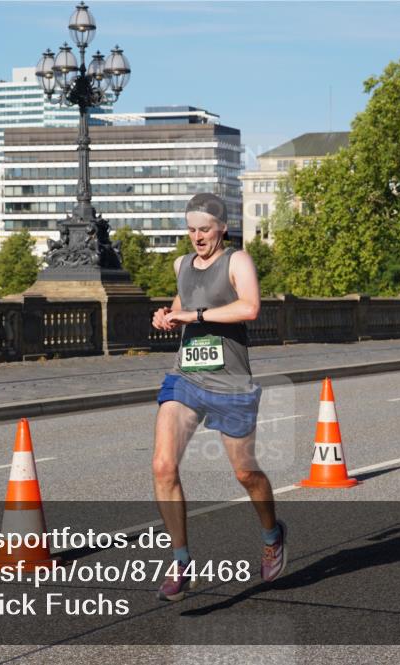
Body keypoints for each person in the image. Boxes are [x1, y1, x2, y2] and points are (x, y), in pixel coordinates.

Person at [150, 193, 286, 601]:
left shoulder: (238, 261)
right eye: (191, 230)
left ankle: (272, 535)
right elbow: (182, 306)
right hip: (187, 377)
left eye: (204, 229)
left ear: (222, 228)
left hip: (231, 384)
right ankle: (181, 561)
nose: (197, 237)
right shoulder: (181, 265)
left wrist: (196, 316)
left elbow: (249, 308)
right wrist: (167, 316)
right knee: (162, 465)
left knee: (245, 473)